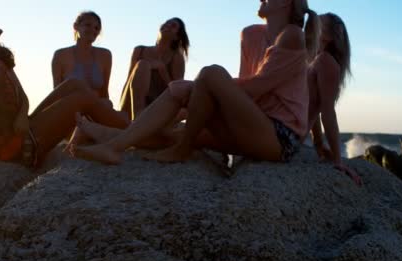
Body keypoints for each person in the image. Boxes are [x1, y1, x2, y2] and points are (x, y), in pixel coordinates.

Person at [69, 0, 319, 166]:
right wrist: (195, 99)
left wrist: (197, 89)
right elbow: (245, 88)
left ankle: (182, 149)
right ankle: (110, 142)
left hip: (278, 137)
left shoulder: (292, 36)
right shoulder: (250, 34)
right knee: (172, 131)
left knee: (211, 73)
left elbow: (255, 88)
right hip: (253, 123)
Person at [0, 13, 128, 175]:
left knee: (74, 84)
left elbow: (23, 97)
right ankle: (132, 130)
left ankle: (118, 128)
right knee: (81, 98)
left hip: (23, 129)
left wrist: (22, 115)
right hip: (17, 148)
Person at [308, 13, 361, 184]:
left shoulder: (326, 61)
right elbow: (312, 109)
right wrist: (318, 144)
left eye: (319, 24)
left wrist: (338, 160)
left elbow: (327, 112)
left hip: (287, 135)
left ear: (331, 35)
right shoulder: (315, 60)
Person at [119, 18, 189, 120]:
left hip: (156, 107)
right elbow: (129, 81)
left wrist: (163, 70)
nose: (167, 25)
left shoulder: (176, 58)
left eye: (173, 25)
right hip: (132, 104)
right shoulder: (139, 50)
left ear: (176, 36)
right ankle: (137, 118)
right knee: (142, 65)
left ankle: (144, 121)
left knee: (186, 111)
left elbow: (177, 93)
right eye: (166, 22)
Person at [52, 11, 112, 100]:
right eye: (88, 25)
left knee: (111, 106)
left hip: (96, 108)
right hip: (70, 108)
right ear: (76, 26)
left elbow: (104, 92)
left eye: (96, 28)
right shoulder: (61, 55)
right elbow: (56, 93)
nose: (93, 30)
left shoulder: (105, 55)